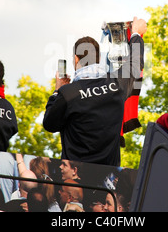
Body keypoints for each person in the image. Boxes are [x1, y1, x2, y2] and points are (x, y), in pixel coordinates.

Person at [43, 17, 147, 166]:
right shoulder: (116, 84)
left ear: (75, 58)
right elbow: (135, 63)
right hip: (107, 179)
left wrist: (57, 91)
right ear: (98, 59)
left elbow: (49, 124)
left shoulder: (68, 93)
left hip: (74, 179)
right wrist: (135, 33)